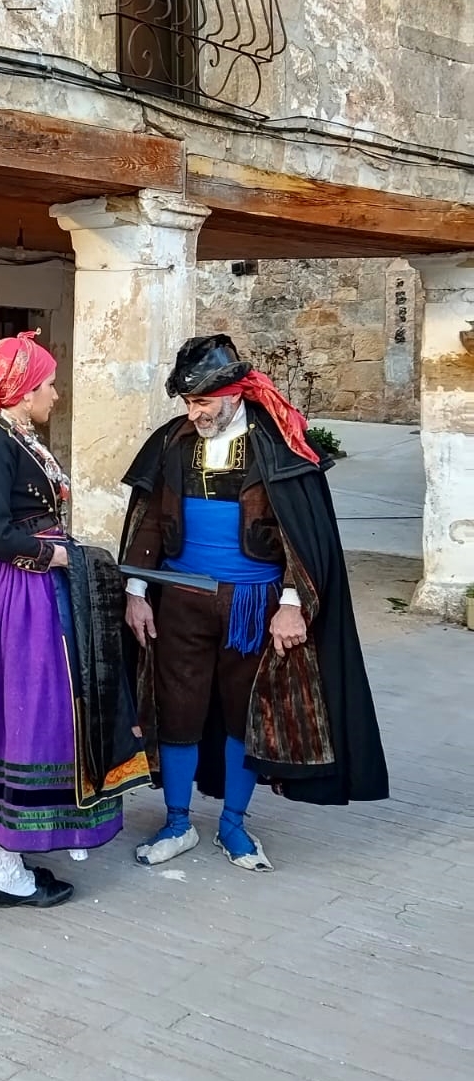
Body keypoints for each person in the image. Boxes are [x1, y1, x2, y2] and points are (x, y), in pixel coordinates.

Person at [120, 334, 389, 873]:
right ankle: (177, 822)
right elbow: (147, 517)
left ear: (236, 392)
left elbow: (302, 535)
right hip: (179, 600)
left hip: (253, 606)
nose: (195, 413)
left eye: (204, 402)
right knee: (178, 712)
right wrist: (136, 591)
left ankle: (233, 826)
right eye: (190, 403)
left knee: (246, 716)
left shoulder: (279, 445)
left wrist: (292, 602)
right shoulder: (171, 442)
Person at [0, 332, 150, 908]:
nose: (56, 394)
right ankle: (5, 867)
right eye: (48, 384)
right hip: (16, 595)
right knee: (15, 713)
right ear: (20, 390)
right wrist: (61, 556)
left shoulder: (18, 437)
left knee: (13, 712)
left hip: (34, 591)